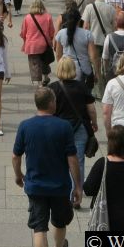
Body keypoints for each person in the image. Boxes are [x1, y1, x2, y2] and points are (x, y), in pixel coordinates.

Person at [12, 87, 81, 247]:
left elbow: (16, 156)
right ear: (51, 103)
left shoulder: (25, 126)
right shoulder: (64, 126)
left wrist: (18, 175)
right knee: (59, 223)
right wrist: (78, 186)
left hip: (36, 186)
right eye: (55, 100)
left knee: (39, 227)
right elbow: (72, 159)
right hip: (60, 187)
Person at [50, 57, 97, 207]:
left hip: (58, 129)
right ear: (73, 70)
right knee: (78, 161)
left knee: (59, 160)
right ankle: (77, 194)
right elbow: (91, 109)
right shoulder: (82, 87)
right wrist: (94, 123)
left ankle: (62, 192)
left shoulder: (53, 88)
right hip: (79, 128)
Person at [53, 5, 98, 89]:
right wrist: (97, 73)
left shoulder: (61, 33)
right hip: (84, 69)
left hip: (67, 69)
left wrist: (61, 68)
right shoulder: (87, 34)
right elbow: (93, 56)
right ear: (79, 20)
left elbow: (58, 55)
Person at [21, 0, 56, 86]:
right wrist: (50, 40)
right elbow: (52, 31)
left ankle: (39, 83)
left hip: (32, 45)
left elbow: (23, 32)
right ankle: (46, 77)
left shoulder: (27, 17)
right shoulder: (48, 16)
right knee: (45, 61)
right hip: (44, 44)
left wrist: (25, 41)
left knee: (34, 64)